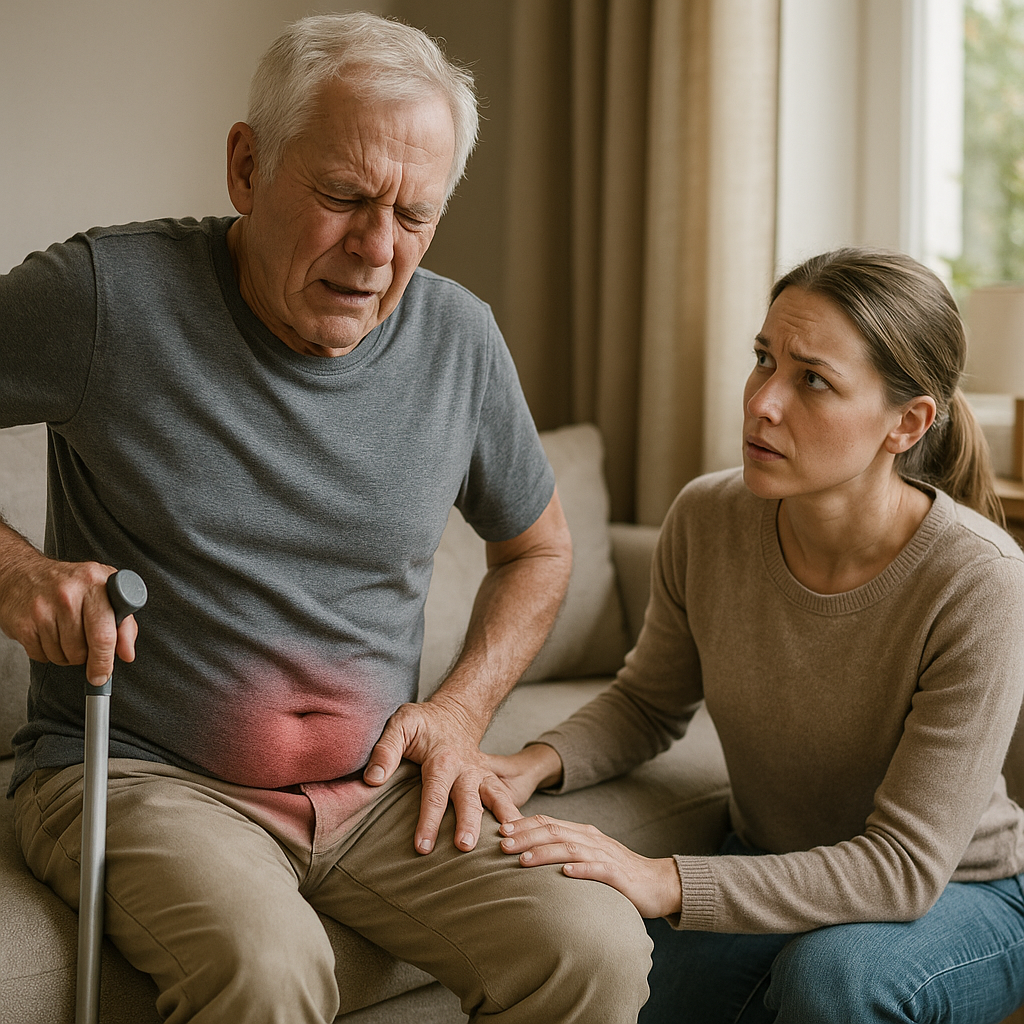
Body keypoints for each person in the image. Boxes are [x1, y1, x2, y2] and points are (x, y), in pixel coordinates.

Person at [0, 12, 652, 1023]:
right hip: (139, 773)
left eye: (414, 213)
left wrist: (461, 711)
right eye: (344, 196)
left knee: (594, 945)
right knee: (269, 969)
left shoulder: (460, 340)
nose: (377, 249)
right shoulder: (103, 298)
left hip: (375, 792)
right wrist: (15, 573)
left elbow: (539, 548)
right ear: (247, 165)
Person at [487, 248, 1024, 1024]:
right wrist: (530, 764)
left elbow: (903, 869)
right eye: (762, 360)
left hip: (961, 892)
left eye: (812, 379)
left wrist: (664, 879)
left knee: (832, 978)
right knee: (622, 979)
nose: (762, 403)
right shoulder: (708, 517)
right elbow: (649, 702)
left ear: (906, 424)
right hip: (775, 859)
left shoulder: (978, 580)